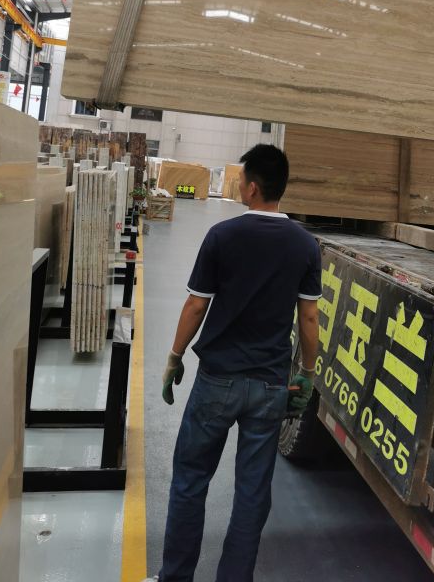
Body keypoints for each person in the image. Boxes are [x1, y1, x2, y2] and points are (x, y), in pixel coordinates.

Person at [144, 144, 321, 582]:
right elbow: (309, 318)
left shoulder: (223, 236)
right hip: (270, 386)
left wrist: (174, 357)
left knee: (191, 480)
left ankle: (175, 577)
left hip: (217, 381)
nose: (239, 185)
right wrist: (307, 373)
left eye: (242, 179)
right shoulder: (305, 245)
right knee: (252, 494)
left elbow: (196, 306)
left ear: (253, 187)